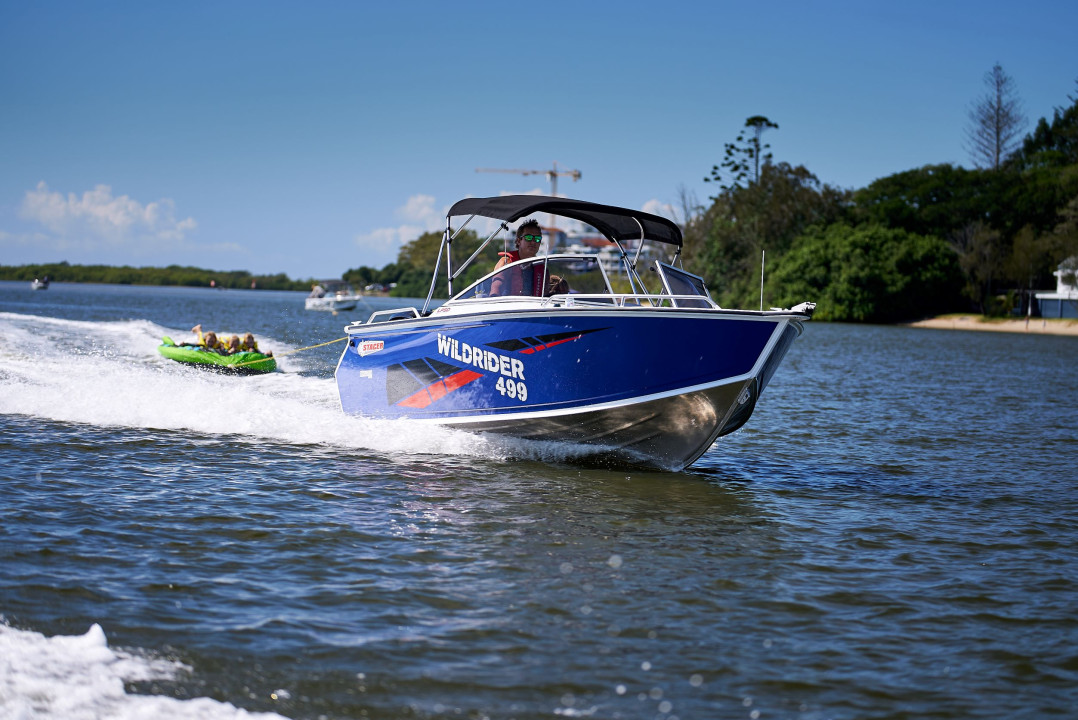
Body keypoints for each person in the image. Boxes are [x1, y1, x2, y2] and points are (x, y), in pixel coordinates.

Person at [490, 219, 543, 297]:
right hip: (510, 306)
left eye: (537, 239)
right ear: (518, 241)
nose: (533, 242)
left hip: (533, 307)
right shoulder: (506, 262)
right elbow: (495, 291)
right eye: (528, 237)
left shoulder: (542, 268)